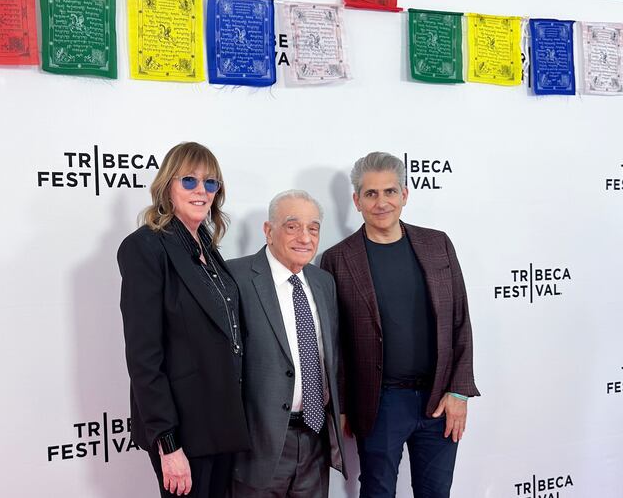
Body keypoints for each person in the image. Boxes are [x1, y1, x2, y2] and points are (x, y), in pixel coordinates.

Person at [320, 152, 480, 498]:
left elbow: (460, 322)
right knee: (377, 491)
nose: (382, 203)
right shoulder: (337, 259)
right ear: (356, 201)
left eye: (390, 192)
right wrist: (343, 406)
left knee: (436, 492)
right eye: (371, 194)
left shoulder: (438, 245)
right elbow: (334, 343)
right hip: (379, 404)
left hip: (439, 400)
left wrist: (458, 391)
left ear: (405, 195)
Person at [117, 142, 249, 498]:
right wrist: (168, 443)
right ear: (167, 186)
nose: (201, 191)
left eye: (210, 183)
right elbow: (144, 357)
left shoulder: (206, 244)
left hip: (222, 424)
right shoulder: (145, 247)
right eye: (189, 181)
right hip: (182, 432)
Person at [228, 190, 347, 498]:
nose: (304, 237)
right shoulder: (235, 277)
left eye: (314, 228)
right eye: (292, 226)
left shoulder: (324, 283)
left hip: (315, 439)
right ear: (268, 231)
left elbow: (332, 357)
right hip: (259, 446)